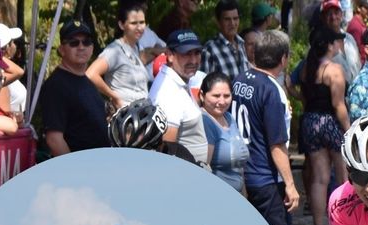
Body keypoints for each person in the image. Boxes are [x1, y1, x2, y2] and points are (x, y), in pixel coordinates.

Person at [234, 30, 300, 225]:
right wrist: (290, 184)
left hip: (245, 172)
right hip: (267, 178)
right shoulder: (271, 90)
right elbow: (277, 144)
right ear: (283, 58)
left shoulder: (240, 79)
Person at [300, 27, 351, 225]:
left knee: (319, 179)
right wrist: (348, 129)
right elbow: (338, 105)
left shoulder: (306, 68)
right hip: (330, 123)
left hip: (310, 122)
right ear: (330, 45)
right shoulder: (334, 70)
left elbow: (299, 92)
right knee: (342, 179)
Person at [38, 19, 110, 156]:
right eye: (74, 43)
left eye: (86, 42)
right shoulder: (55, 86)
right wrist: (73, 173)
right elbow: (54, 139)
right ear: (61, 49)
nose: (81, 47)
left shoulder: (86, 81)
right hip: (79, 171)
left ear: (92, 47)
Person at [150, 29, 208, 164]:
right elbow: (166, 151)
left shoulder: (178, 81)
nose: (193, 60)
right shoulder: (169, 93)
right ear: (170, 55)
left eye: (197, 53)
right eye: (187, 54)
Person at [86, 2, 152, 111]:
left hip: (141, 117)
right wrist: (114, 96)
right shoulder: (114, 50)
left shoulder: (135, 48)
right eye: (133, 23)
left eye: (142, 22)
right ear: (121, 25)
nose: (139, 27)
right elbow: (90, 74)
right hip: (124, 118)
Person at [200, 72, 249, 190]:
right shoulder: (205, 122)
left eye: (227, 96)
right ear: (202, 95)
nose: (222, 102)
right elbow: (203, 169)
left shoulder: (229, 117)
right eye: (216, 96)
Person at [0, 23, 27, 122]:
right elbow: (4, 117)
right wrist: (19, 120)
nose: (14, 45)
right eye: (12, 42)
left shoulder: (2, 71)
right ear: (5, 49)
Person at [203, 0, 250, 81]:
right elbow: (204, 84)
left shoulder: (241, 43)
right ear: (218, 22)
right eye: (227, 19)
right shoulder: (210, 49)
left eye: (235, 18)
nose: (232, 23)